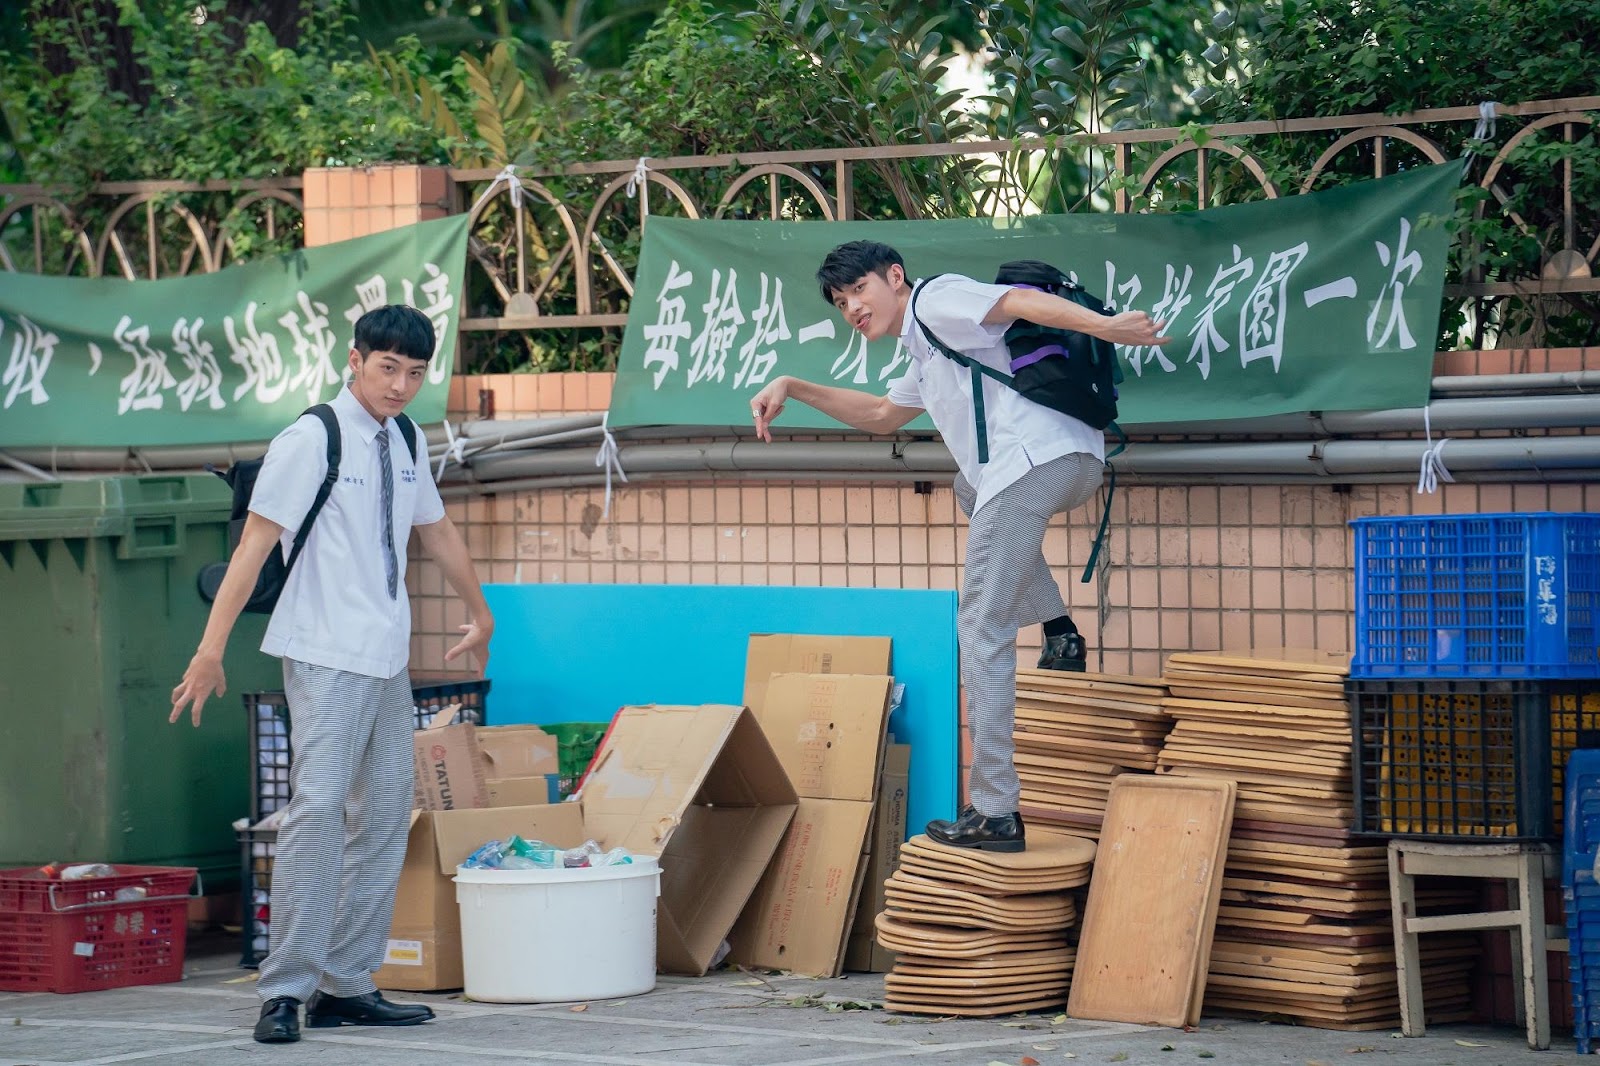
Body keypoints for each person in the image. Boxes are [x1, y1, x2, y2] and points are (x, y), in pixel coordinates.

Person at [749, 241, 1169, 853]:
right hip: (1063, 461)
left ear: (895, 277)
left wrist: (1106, 327)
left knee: (980, 626)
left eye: (860, 290)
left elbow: (1017, 301)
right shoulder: (923, 344)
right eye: (841, 302)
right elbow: (881, 414)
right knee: (968, 489)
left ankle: (996, 811)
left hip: (1033, 461)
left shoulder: (935, 301)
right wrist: (792, 385)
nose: (853, 308)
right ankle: (1058, 628)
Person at [169, 304, 495, 1044]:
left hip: (386, 657)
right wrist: (209, 650)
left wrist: (481, 612)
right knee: (318, 812)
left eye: (415, 373)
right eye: (388, 368)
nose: (400, 385)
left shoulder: (405, 436)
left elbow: (437, 528)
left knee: (382, 817)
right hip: (322, 651)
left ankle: (347, 981)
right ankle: (285, 990)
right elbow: (254, 546)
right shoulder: (311, 437)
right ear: (355, 360)